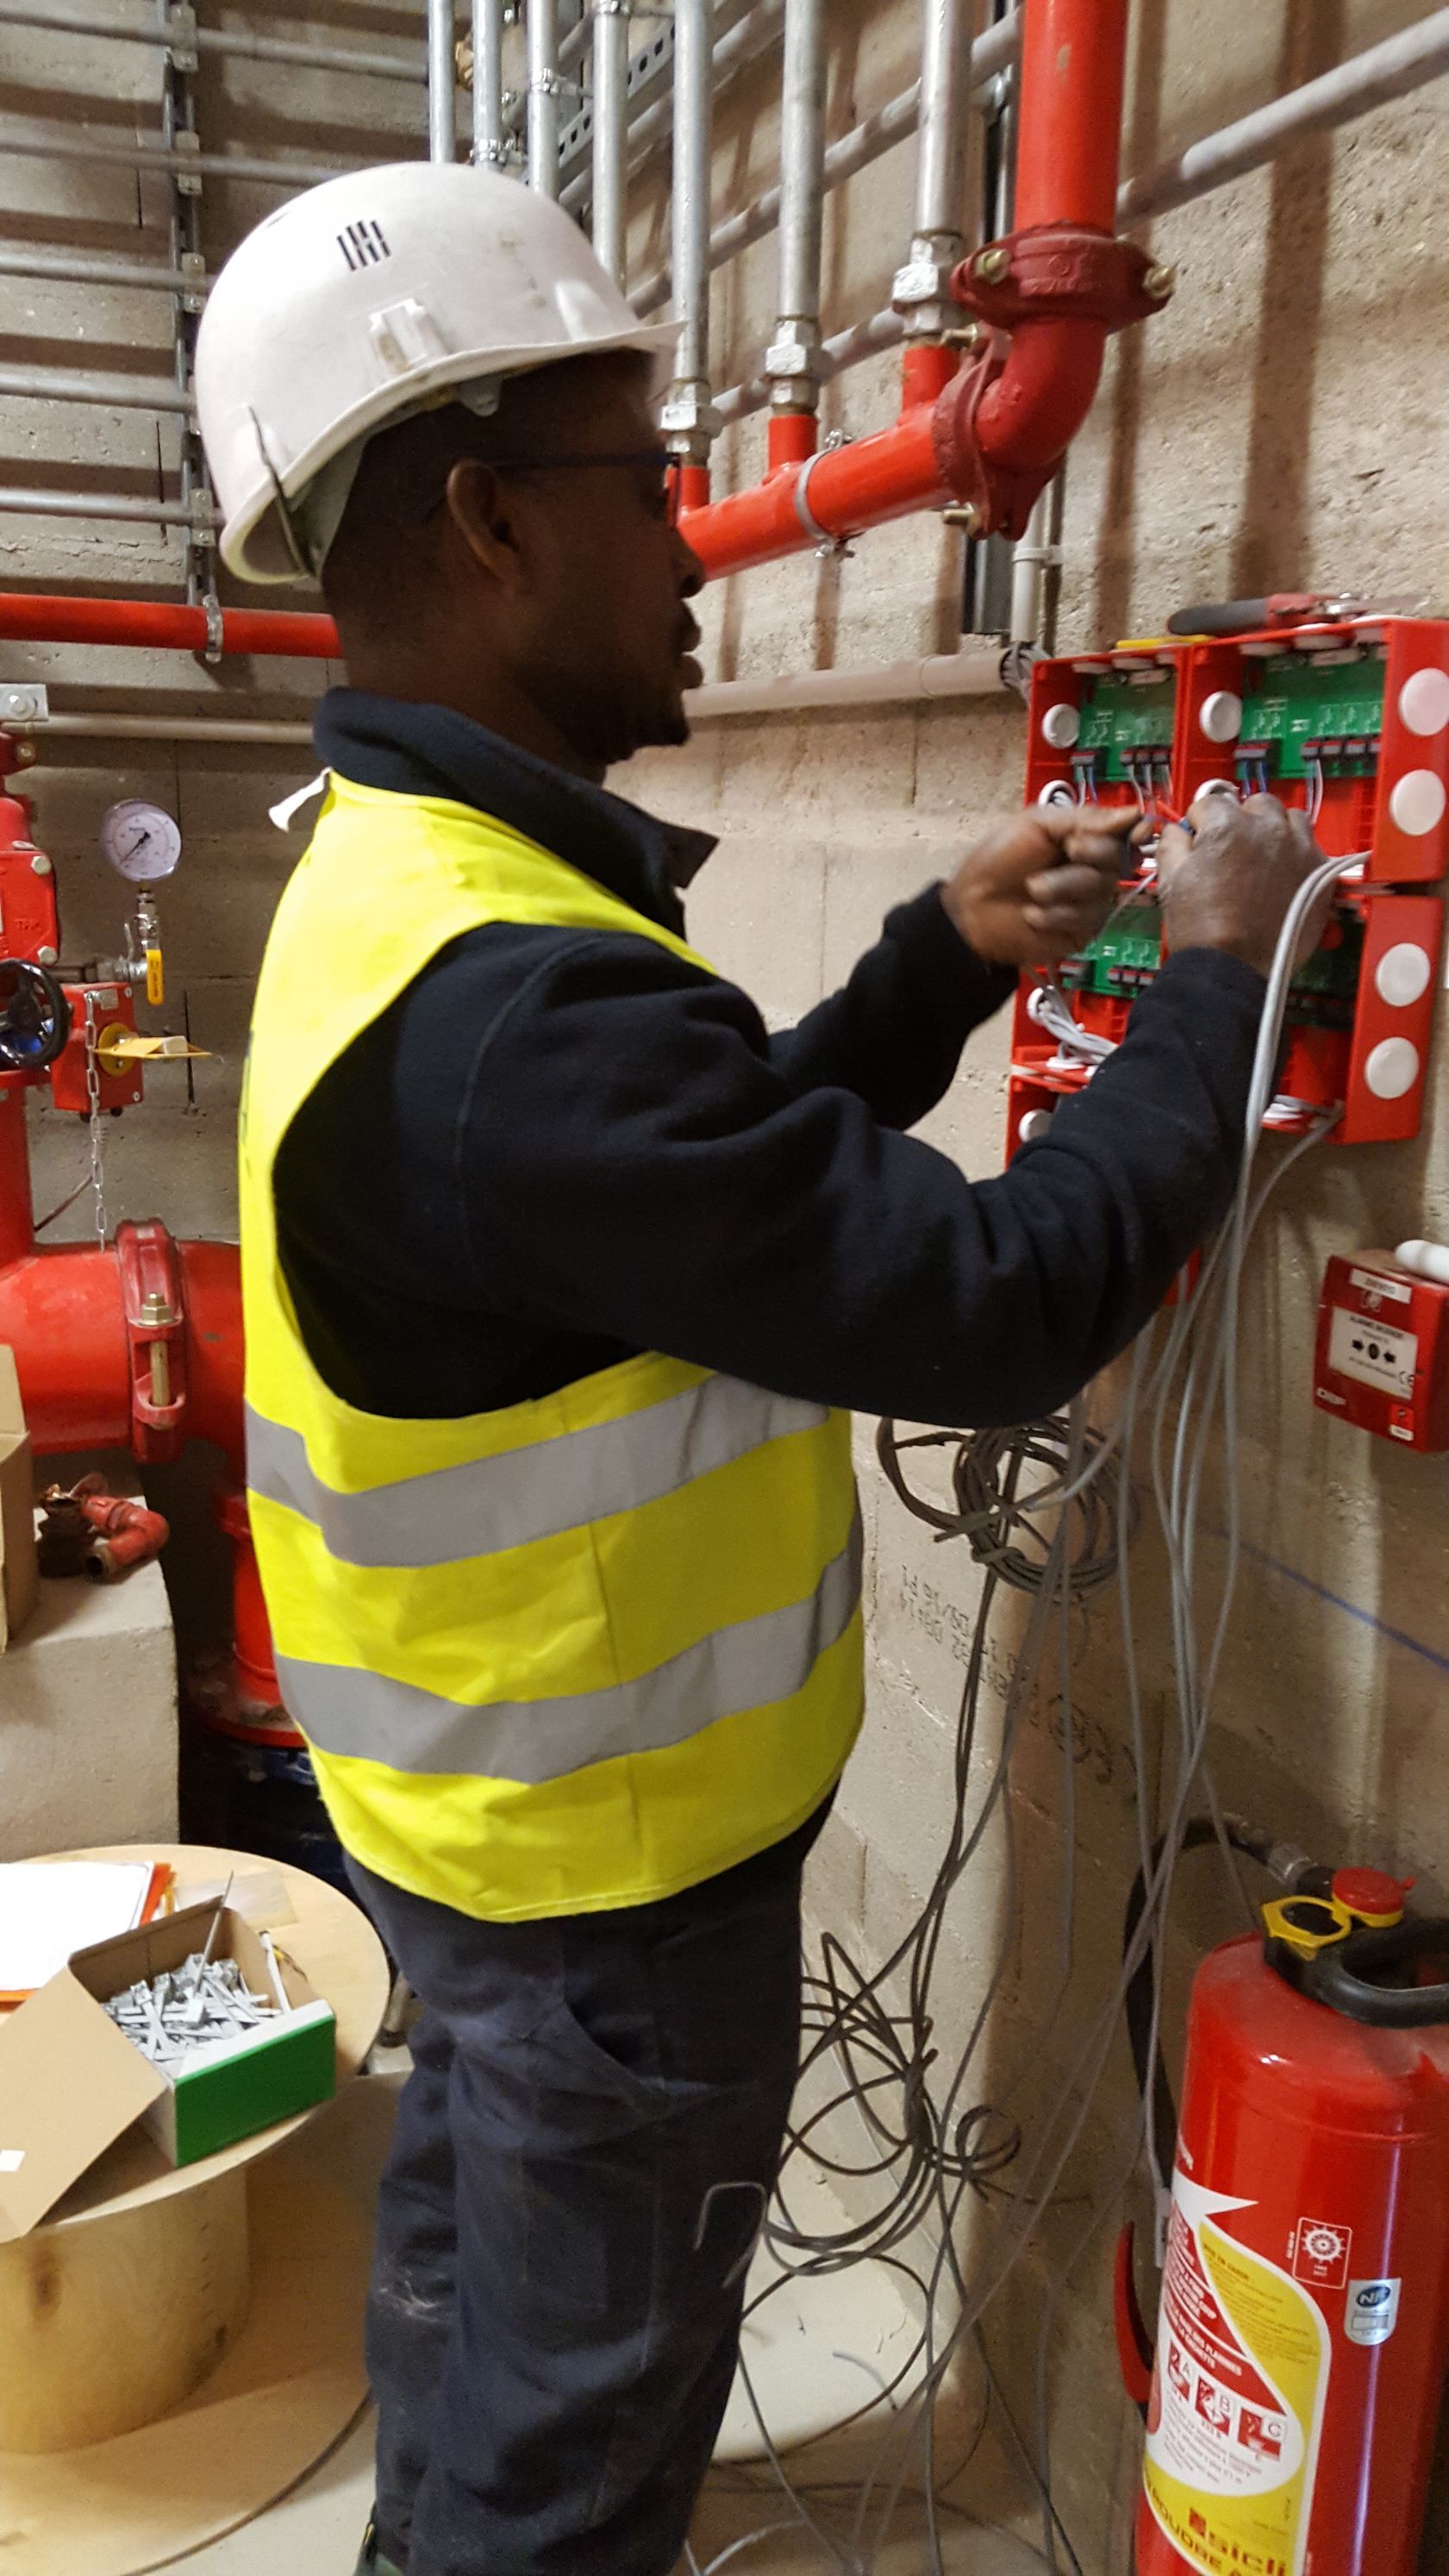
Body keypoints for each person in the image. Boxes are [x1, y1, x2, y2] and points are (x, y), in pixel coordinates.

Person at [196, 165, 1325, 2576]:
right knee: (569, 2478)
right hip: (600, 1918)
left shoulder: (413, 895)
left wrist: (932, 957)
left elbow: (675, 1204)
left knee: (475, 2370)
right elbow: (1002, 1297)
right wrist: (1226, 980)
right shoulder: (513, 1001)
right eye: (648, 486)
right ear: (492, 517)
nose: (697, 550)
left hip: (492, 1869)